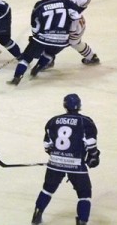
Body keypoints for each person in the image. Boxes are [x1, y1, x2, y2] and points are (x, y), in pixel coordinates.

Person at [31, 94, 100, 225]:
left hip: (55, 164)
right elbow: (91, 143)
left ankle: (37, 215)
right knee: (84, 194)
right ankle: (82, 221)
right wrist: (93, 156)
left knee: (47, 189)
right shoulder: (86, 121)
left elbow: (47, 145)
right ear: (79, 106)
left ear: (64, 105)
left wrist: (57, 156)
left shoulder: (53, 121)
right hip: (77, 166)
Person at [7, 0, 83, 85]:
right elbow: (76, 16)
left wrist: (34, 36)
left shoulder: (39, 5)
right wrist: (72, 31)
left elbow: (35, 24)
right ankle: (37, 68)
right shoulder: (66, 1)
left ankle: (17, 77)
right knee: (49, 53)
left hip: (43, 38)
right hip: (62, 39)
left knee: (26, 58)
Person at [54, 0, 100, 65]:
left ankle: (48, 59)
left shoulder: (62, 2)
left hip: (74, 25)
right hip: (79, 22)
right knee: (75, 42)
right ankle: (92, 57)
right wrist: (78, 10)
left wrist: (76, 12)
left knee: (59, 41)